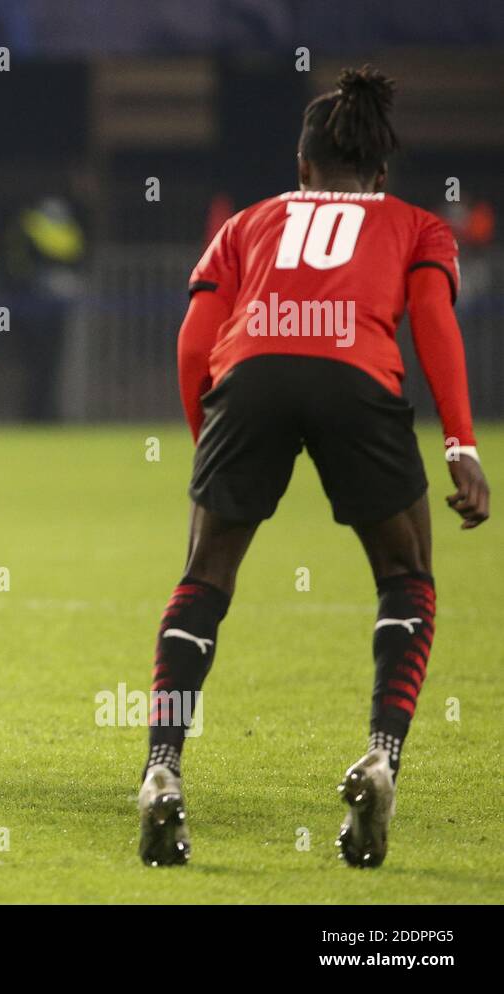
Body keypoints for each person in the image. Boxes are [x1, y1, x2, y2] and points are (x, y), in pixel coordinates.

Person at [137, 67, 490, 869]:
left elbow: (196, 338)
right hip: (356, 376)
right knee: (407, 575)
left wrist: (209, 437)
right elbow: (434, 325)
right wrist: (461, 445)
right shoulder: (417, 226)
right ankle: (379, 758)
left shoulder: (251, 223)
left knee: (205, 575)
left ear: (302, 169)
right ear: (381, 174)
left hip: (249, 373)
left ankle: (163, 766)